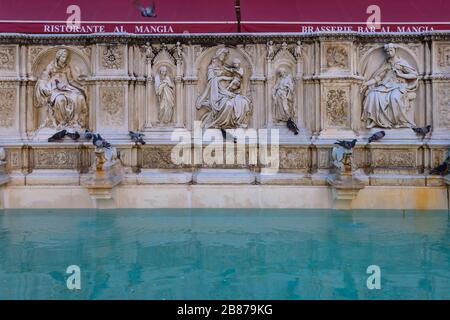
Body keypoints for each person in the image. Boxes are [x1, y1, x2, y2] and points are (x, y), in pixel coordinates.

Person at [361, 43, 418, 129]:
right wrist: (365, 84)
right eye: (387, 51)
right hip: (385, 85)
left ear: (395, 50)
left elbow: (414, 75)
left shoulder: (401, 63)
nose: (389, 53)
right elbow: (378, 78)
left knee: (394, 97)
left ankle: (399, 121)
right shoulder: (387, 63)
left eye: (391, 50)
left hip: (398, 86)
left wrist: (401, 75)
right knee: (372, 95)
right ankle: (375, 120)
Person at [34, 48, 87, 129]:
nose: (64, 59)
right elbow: (43, 79)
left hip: (67, 88)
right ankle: (62, 122)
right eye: (63, 57)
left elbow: (71, 81)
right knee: (60, 99)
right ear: (58, 57)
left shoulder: (67, 67)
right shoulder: (51, 67)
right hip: (55, 90)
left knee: (79, 97)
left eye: (65, 57)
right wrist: (46, 87)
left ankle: (75, 122)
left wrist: (81, 87)